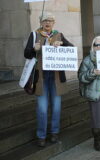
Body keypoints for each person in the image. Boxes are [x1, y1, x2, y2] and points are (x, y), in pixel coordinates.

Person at [24, 12, 74, 147]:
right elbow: (26, 53)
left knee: (56, 108)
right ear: (41, 22)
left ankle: (54, 133)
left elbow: (71, 49)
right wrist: (34, 49)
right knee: (42, 109)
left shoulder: (59, 34)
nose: (47, 23)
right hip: (41, 78)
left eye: (50, 20)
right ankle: (41, 135)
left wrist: (62, 44)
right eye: (45, 20)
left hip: (56, 78)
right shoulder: (34, 35)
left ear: (53, 23)